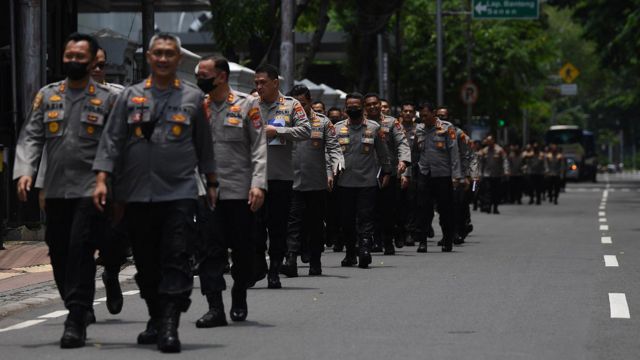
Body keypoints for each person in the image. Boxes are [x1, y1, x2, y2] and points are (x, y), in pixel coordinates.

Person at [93, 33, 216, 353]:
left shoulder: (191, 99)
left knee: (176, 257)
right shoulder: (129, 97)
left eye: (169, 54)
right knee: (147, 265)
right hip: (136, 195)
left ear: (177, 59)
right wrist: (103, 179)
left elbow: (204, 146)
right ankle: (155, 316)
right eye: (157, 53)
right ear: (149, 57)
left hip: (178, 193)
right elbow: (111, 142)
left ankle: (170, 324)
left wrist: (212, 183)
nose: (163, 59)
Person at [14, 33, 116, 348]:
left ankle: (76, 316)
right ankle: (76, 304)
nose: (73, 61)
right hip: (56, 190)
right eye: (68, 55)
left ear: (91, 61)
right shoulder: (47, 96)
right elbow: (32, 136)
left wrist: (104, 178)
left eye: (79, 56)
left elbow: (114, 143)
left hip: (91, 188)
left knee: (80, 248)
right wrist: (25, 172)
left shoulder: (107, 99)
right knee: (58, 251)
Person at [34, 45, 127, 318]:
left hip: (107, 185)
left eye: (101, 65)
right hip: (68, 186)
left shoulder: (117, 98)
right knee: (71, 246)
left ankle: (111, 274)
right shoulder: (55, 96)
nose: (96, 69)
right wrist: (42, 185)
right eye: (92, 64)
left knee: (112, 243)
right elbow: (49, 147)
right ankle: (78, 305)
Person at [193, 56, 267, 328]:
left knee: (244, 250)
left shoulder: (248, 105)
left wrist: (258, 184)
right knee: (209, 251)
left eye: (204, 74)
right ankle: (215, 306)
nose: (199, 79)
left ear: (221, 76)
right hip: (206, 192)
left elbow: (259, 147)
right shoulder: (197, 107)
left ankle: (240, 291)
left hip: (240, 191)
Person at [253, 64, 311, 289]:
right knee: (254, 227)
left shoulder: (291, 105)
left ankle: (274, 270)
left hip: (280, 177)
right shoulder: (250, 105)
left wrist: (279, 131)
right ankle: (258, 264)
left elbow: (306, 130)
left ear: (275, 82)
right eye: (256, 83)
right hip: (255, 178)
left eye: (263, 82)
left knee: (277, 227)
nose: (259, 87)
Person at [281, 85, 343, 277]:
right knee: (292, 223)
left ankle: (315, 261)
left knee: (316, 224)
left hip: (316, 183)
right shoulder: (283, 121)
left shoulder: (323, 123)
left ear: (310, 102)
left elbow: (333, 147)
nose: (300, 108)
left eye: (304, 104)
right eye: (296, 104)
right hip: (291, 181)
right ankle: (290, 258)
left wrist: (337, 163)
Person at [335, 93, 391, 267]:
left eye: (356, 106)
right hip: (344, 182)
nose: (353, 109)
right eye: (349, 106)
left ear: (363, 108)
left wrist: (387, 172)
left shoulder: (374, 128)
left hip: (367, 182)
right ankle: (350, 253)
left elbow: (383, 153)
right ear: (345, 108)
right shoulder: (336, 129)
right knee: (346, 220)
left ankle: (364, 249)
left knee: (366, 218)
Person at [412, 102, 462, 253]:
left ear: (433, 114)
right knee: (423, 208)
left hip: (443, 174)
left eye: (425, 116)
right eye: (421, 116)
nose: (423, 119)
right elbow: (415, 151)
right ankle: (422, 241)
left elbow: (454, 153)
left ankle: (447, 239)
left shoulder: (447, 128)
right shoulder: (419, 129)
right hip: (425, 173)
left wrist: (456, 175)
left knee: (445, 209)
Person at [364, 93, 410, 255]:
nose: (373, 107)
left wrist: (404, 161)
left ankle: (388, 239)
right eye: (369, 105)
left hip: (388, 172)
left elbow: (402, 143)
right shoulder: (359, 123)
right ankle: (375, 240)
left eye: (375, 104)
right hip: (366, 172)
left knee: (388, 209)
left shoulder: (391, 123)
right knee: (370, 209)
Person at [398, 102, 418, 246]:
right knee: (398, 203)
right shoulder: (395, 127)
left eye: (411, 111)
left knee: (412, 203)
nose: (408, 114)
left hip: (415, 171)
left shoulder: (419, 130)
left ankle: (410, 232)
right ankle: (398, 232)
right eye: (405, 111)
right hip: (397, 170)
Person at [478, 136, 509, 214]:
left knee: (496, 192)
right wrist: (479, 173)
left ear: (493, 141)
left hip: (497, 175)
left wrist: (506, 170)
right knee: (487, 191)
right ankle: (488, 207)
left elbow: (505, 160)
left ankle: (495, 207)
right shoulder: (484, 151)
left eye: (490, 141)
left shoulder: (500, 150)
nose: (488, 142)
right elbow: (481, 163)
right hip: (487, 175)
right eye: (487, 141)